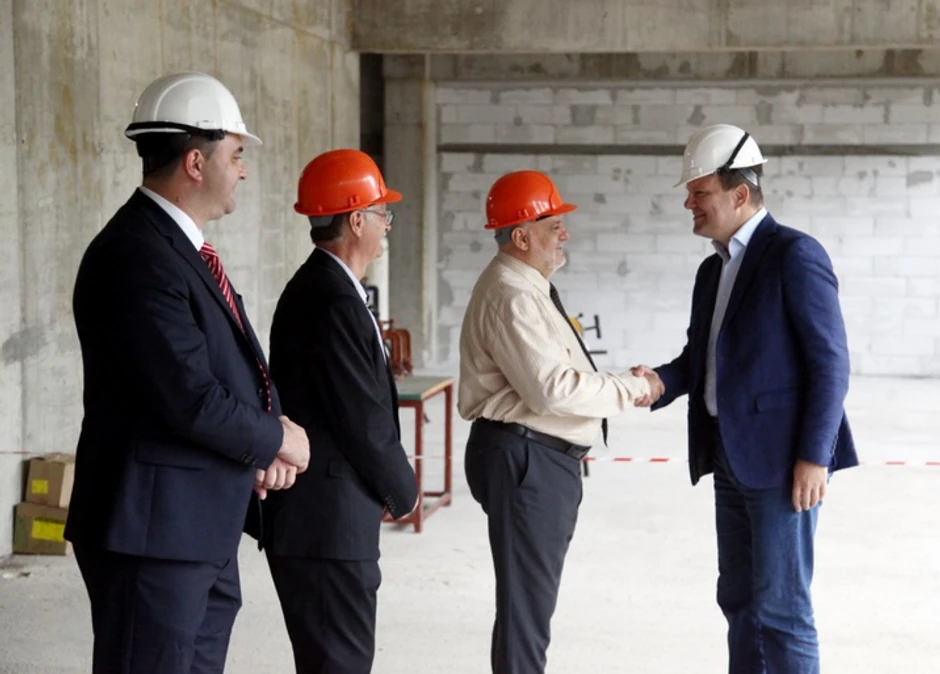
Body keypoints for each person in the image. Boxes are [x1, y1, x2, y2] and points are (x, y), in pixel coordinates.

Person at [65, 71, 310, 674]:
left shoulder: (178, 249)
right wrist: (276, 438)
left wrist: (259, 443)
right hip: (153, 533)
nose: (244, 171)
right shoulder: (138, 255)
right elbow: (189, 395)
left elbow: (227, 365)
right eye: (237, 154)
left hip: (195, 522)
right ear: (196, 162)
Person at [631, 123, 858, 674]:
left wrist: (814, 456)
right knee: (738, 600)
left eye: (699, 192)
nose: (689, 203)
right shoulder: (713, 270)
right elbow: (700, 358)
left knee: (783, 610)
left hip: (783, 465)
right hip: (729, 457)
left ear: (739, 194)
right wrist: (659, 382)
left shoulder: (794, 255)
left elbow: (830, 363)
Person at [458, 170, 654, 674]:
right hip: (528, 461)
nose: (564, 233)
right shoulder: (514, 295)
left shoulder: (528, 287)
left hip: (534, 459)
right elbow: (552, 389)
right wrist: (631, 388)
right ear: (522, 236)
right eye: (553, 225)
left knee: (529, 606)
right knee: (527, 612)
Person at [260, 148, 418, 674]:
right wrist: (403, 490)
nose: (387, 225)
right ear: (356, 220)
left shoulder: (329, 289)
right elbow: (363, 420)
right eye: (382, 214)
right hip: (324, 528)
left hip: (327, 522)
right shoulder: (330, 300)